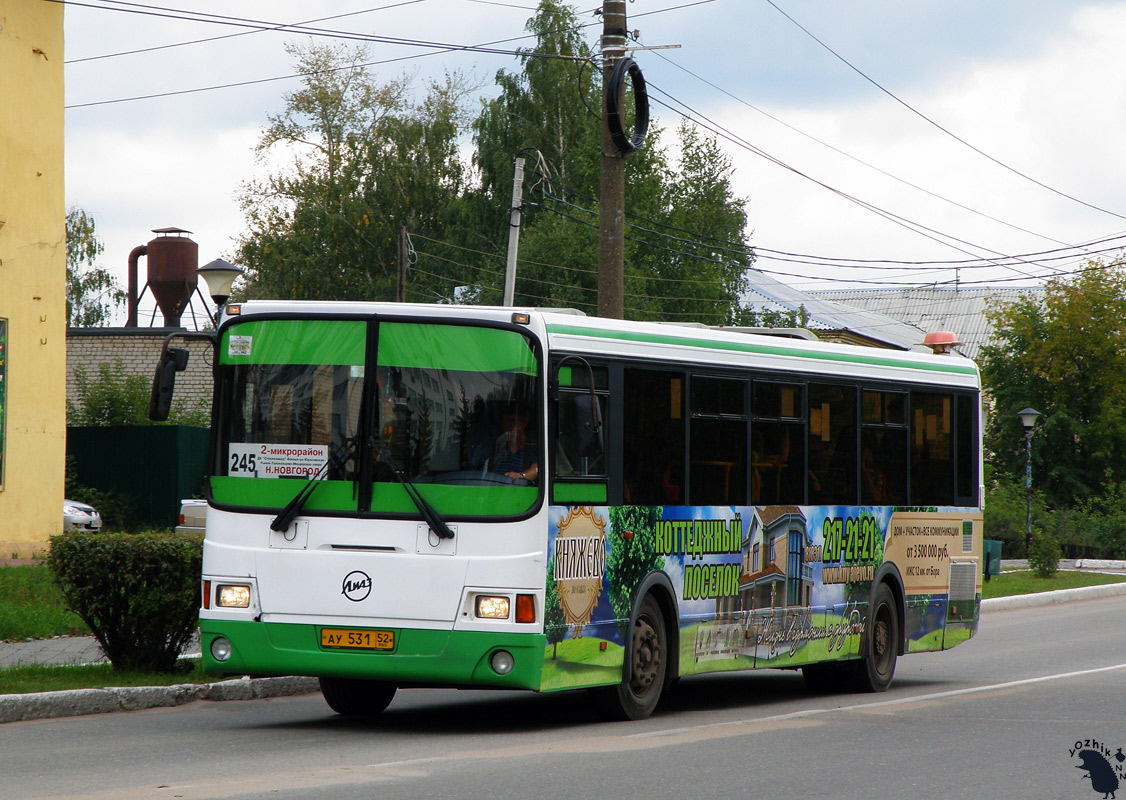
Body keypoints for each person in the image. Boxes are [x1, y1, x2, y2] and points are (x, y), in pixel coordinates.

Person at [493, 405, 538, 483]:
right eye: (504, 420)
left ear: (524, 423)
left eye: (512, 421)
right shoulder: (499, 445)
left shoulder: (532, 447)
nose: (506, 425)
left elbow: (537, 469)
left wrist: (521, 476)